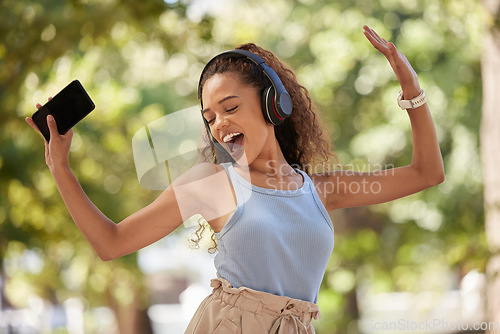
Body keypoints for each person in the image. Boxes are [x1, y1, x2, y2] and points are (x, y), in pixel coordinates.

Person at [26, 26, 444, 333]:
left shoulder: (319, 189)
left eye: (230, 107)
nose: (219, 125)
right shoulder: (211, 183)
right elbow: (111, 242)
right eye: (210, 118)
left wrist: (411, 88)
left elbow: (426, 173)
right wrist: (60, 169)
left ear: (272, 103)